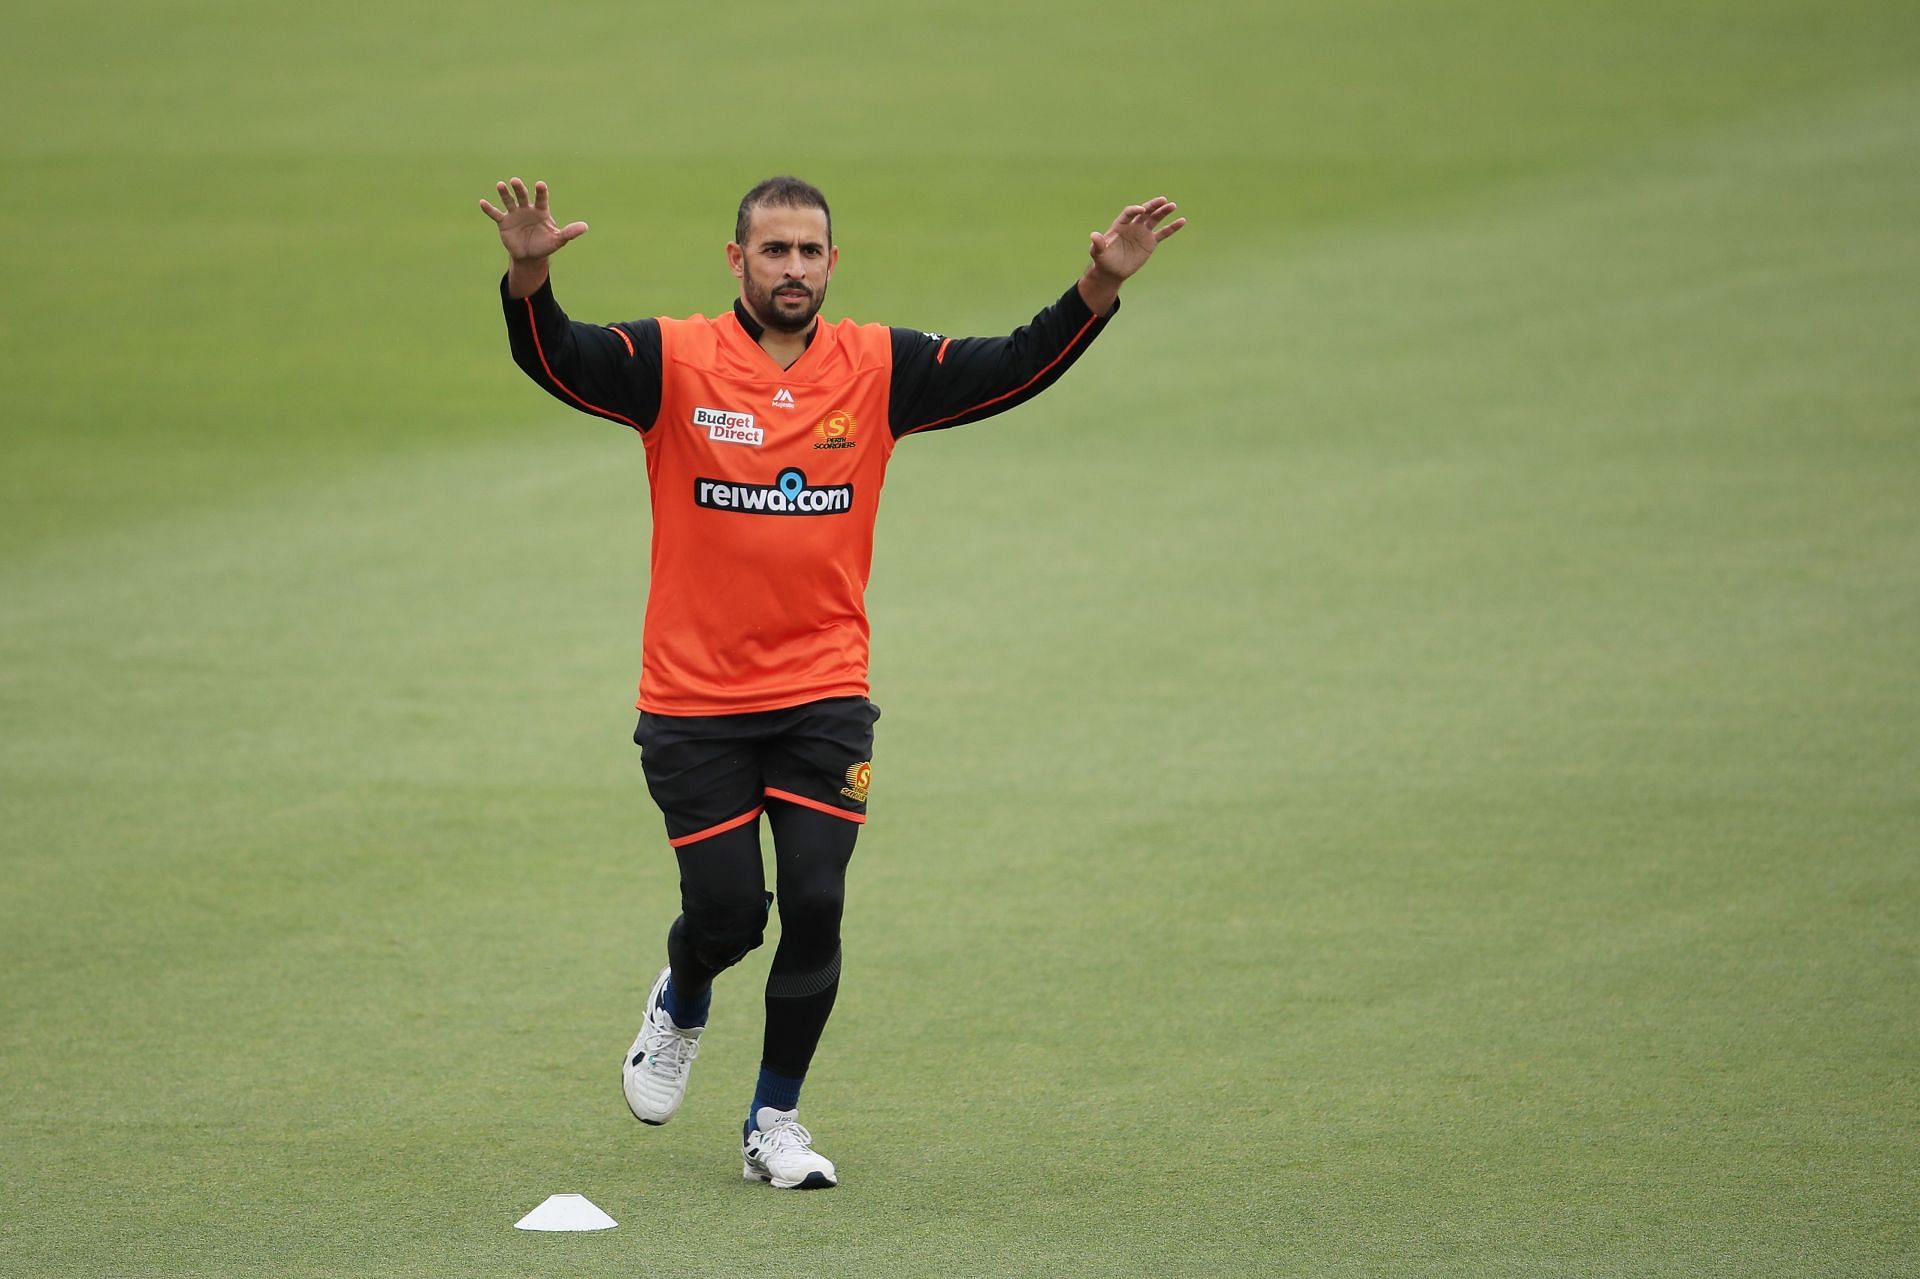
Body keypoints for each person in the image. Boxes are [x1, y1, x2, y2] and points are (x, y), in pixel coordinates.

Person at [482, 174, 1184, 1189]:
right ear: (738, 261)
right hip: (694, 703)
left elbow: (1014, 367)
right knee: (730, 915)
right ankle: (682, 998)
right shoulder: (673, 360)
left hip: (822, 689)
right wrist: (530, 270)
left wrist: (1097, 285)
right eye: (775, 251)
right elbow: (558, 355)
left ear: (832, 263)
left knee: (815, 899)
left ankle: (775, 1119)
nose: (794, 269)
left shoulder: (875, 366)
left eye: (811, 252)